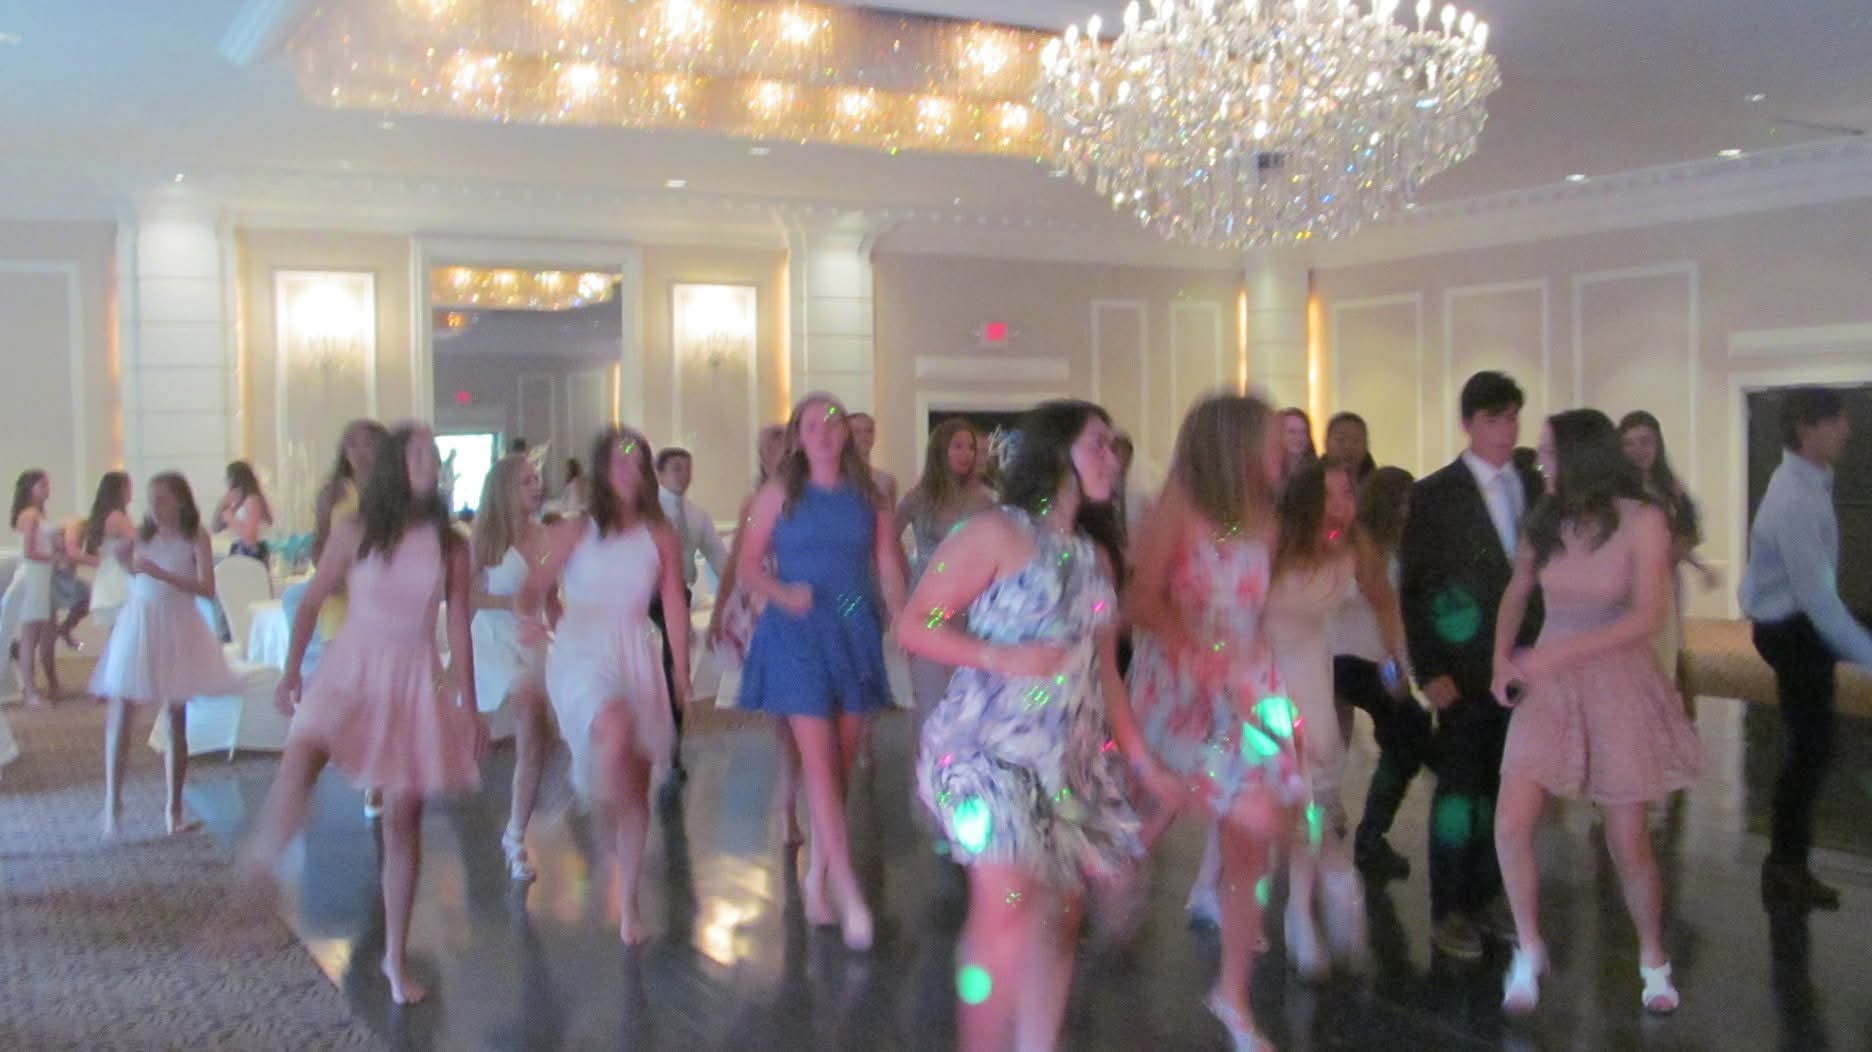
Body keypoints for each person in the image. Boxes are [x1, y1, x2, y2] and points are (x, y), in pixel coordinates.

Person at [902, 399, 1179, 1052]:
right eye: (1098, 443)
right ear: (1058, 453)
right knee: (1006, 909)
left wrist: (1145, 763)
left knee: (1059, 915)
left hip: (1066, 758)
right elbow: (916, 623)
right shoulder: (995, 533)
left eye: (1113, 444)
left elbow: (1105, 672)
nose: (1112, 456)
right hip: (986, 750)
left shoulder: (1094, 557)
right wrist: (1001, 656)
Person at [242, 422, 485, 1005]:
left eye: (433, 453)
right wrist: (291, 670)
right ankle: (256, 880)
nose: (429, 460)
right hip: (352, 665)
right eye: (417, 452)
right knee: (302, 753)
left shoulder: (451, 544)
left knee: (402, 819)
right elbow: (313, 599)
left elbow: (458, 624)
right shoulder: (355, 530)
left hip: (411, 677)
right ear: (397, 464)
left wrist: (470, 705)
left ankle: (395, 958)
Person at [1491, 409, 1702, 1015]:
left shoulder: (1644, 519)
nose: (1541, 463)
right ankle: (1529, 947)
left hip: (1615, 678)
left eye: (1550, 452)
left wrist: (1556, 656)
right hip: (1548, 681)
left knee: (1627, 838)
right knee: (1511, 823)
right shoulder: (1545, 519)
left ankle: (1653, 956)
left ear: (1583, 457)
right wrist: (1500, 659)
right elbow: (1517, 590)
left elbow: (1647, 616)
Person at [1127, 393, 1304, 1050]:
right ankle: (1083, 902)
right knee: (1139, 826)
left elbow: (1256, 607)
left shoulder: (1266, 514)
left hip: (1246, 682)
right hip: (1181, 681)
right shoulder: (1179, 505)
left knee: (1255, 832)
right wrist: (1195, 652)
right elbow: (1142, 600)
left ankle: (1232, 993)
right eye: (1269, 439)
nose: (1282, 450)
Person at [735, 393, 907, 952]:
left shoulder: (871, 495)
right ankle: (847, 890)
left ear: (846, 433)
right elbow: (747, 565)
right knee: (818, 761)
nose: (825, 432)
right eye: (812, 425)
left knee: (840, 766)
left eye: (833, 422)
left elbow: (887, 562)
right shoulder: (778, 493)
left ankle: (817, 876)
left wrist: (904, 617)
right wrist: (784, 593)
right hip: (796, 631)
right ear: (798, 436)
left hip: (854, 627)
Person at [523, 427, 690, 944]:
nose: (628, 471)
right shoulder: (576, 529)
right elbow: (535, 584)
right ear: (600, 470)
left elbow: (674, 603)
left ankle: (630, 897)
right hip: (582, 651)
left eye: (636, 462)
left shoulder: (659, 535)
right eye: (618, 462)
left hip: (635, 650)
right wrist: (537, 616)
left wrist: (681, 671)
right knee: (613, 724)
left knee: (636, 781)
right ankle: (593, 799)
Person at [1398, 370, 1544, 960]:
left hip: (1523, 666)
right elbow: (1417, 587)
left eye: (1512, 417)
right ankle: (1449, 908)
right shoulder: (1436, 494)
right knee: (1459, 789)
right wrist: (1428, 668)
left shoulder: (1532, 485)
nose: (1506, 430)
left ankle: (1485, 895)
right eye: (1493, 419)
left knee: (1505, 788)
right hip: (1461, 666)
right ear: (1468, 423)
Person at [1741, 387, 1872, 912]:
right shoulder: (1793, 498)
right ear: (1806, 429)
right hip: (1789, 630)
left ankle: (1787, 864)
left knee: (1812, 747)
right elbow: (1820, 603)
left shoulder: (1811, 480)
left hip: (1796, 619)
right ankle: (1783, 868)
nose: (1847, 430)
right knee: (1810, 749)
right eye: (1836, 422)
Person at [91, 472, 235, 838]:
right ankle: (112, 802)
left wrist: (162, 574)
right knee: (122, 709)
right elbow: (131, 572)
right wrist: (126, 562)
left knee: (175, 716)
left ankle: (173, 809)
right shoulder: (142, 534)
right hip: (139, 622)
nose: (155, 507)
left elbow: (207, 588)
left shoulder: (195, 535)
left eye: (163, 499)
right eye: (151, 499)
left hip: (177, 622)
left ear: (180, 501)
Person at [707, 424, 806, 843]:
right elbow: (736, 559)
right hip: (765, 606)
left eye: (783, 443)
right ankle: (787, 806)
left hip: (803, 600)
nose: (778, 452)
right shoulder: (755, 501)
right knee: (785, 711)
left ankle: (799, 800)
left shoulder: (810, 497)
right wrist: (719, 611)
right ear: (762, 456)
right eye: (769, 445)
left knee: (804, 708)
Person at [1332, 466, 1430, 880]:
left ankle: (1371, 835)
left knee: (1406, 734)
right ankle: (1371, 837)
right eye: (1405, 503)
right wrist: (1395, 670)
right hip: (1356, 661)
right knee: (1410, 730)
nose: (1410, 512)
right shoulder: (1363, 545)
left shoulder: (1385, 546)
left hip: (1358, 661)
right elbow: (1382, 608)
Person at [470, 453, 556, 882]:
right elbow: (464, 596)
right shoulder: (484, 538)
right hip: (490, 640)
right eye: (526, 481)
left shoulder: (545, 537)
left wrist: (568, 637)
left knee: (534, 732)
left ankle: (515, 835)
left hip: (530, 639)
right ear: (505, 489)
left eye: (537, 479)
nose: (536, 486)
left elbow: (551, 597)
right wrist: (508, 602)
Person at [894, 419, 996, 722]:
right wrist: (902, 580)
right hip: (927, 598)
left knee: (970, 695)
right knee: (931, 693)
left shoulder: (984, 500)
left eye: (970, 447)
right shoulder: (918, 497)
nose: (965, 454)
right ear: (940, 450)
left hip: (971, 601)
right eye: (957, 446)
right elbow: (886, 541)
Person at [313, 419, 390, 818]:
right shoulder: (333, 494)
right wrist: (330, 577)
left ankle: (376, 779)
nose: (360, 452)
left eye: (368, 444)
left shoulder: (392, 493)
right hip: (342, 598)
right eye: (353, 444)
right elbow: (320, 542)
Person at [1618, 411, 1719, 683]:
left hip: (1666, 587)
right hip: (1627, 590)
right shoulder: (1615, 492)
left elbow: (1682, 536)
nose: (1638, 450)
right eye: (1629, 443)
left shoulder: (1671, 489)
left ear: (1657, 444)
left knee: (1664, 665)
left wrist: (1700, 567)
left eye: (1645, 441)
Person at [653, 446, 729, 781]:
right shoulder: (648, 512)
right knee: (655, 667)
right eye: (676, 469)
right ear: (659, 473)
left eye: (687, 468)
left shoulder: (696, 515)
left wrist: (737, 590)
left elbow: (717, 556)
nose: (684, 475)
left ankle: (673, 748)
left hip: (678, 595)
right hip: (648, 598)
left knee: (675, 666)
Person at [1, 470, 60, 706]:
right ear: (30, 489)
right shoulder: (29, 514)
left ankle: (31, 687)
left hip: (41, 576)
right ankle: (29, 691)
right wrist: (54, 557)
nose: (47, 489)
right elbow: (29, 552)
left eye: (47, 485)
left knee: (35, 633)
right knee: (29, 634)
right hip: (33, 575)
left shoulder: (39, 514)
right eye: (42, 485)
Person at [75, 472, 137, 631]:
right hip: (118, 577)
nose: (131, 491)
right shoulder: (117, 517)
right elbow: (137, 541)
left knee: (118, 632)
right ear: (121, 490)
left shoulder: (107, 516)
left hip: (109, 575)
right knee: (124, 631)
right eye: (129, 487)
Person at [213, 460, 274, 563]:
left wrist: (231, 518)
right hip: (239, 551)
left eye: (228, 478)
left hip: (251, 553)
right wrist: (223, 504)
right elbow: (215, 528)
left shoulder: (252, 500)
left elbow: (250, 539)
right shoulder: (237, 502)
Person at [847, 411, 899, 509]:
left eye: (869, 431)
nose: (864, 436)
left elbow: (890, 514)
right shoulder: (837, 478)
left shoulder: (887, 481)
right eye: (856, 432)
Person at [1323, 411, 1378, 484]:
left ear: (1366, 445)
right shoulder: (1311, 481)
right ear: (1326, 442)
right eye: (1340, 439)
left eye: (1356, 440)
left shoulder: (1379, 483)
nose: (1348, 446)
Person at [1280, 406, 1318, 480]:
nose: (1298, 437)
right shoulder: (1268, 472)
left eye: (1303, 432)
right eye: (1292, 432)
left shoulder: (1319, 472)